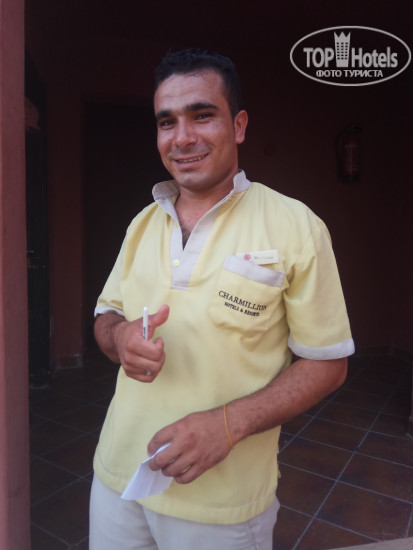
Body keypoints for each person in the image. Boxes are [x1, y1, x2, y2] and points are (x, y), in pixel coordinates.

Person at [90, 48, 355, 550]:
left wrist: (228, 426)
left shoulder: (295, 226)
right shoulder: (142, 224)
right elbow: (107, 313)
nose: (182, 136)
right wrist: (119, 336)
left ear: (239, 126)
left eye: (202, 115)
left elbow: (328, 363)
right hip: (117, 478)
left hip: (222, 504)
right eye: (167, 122)